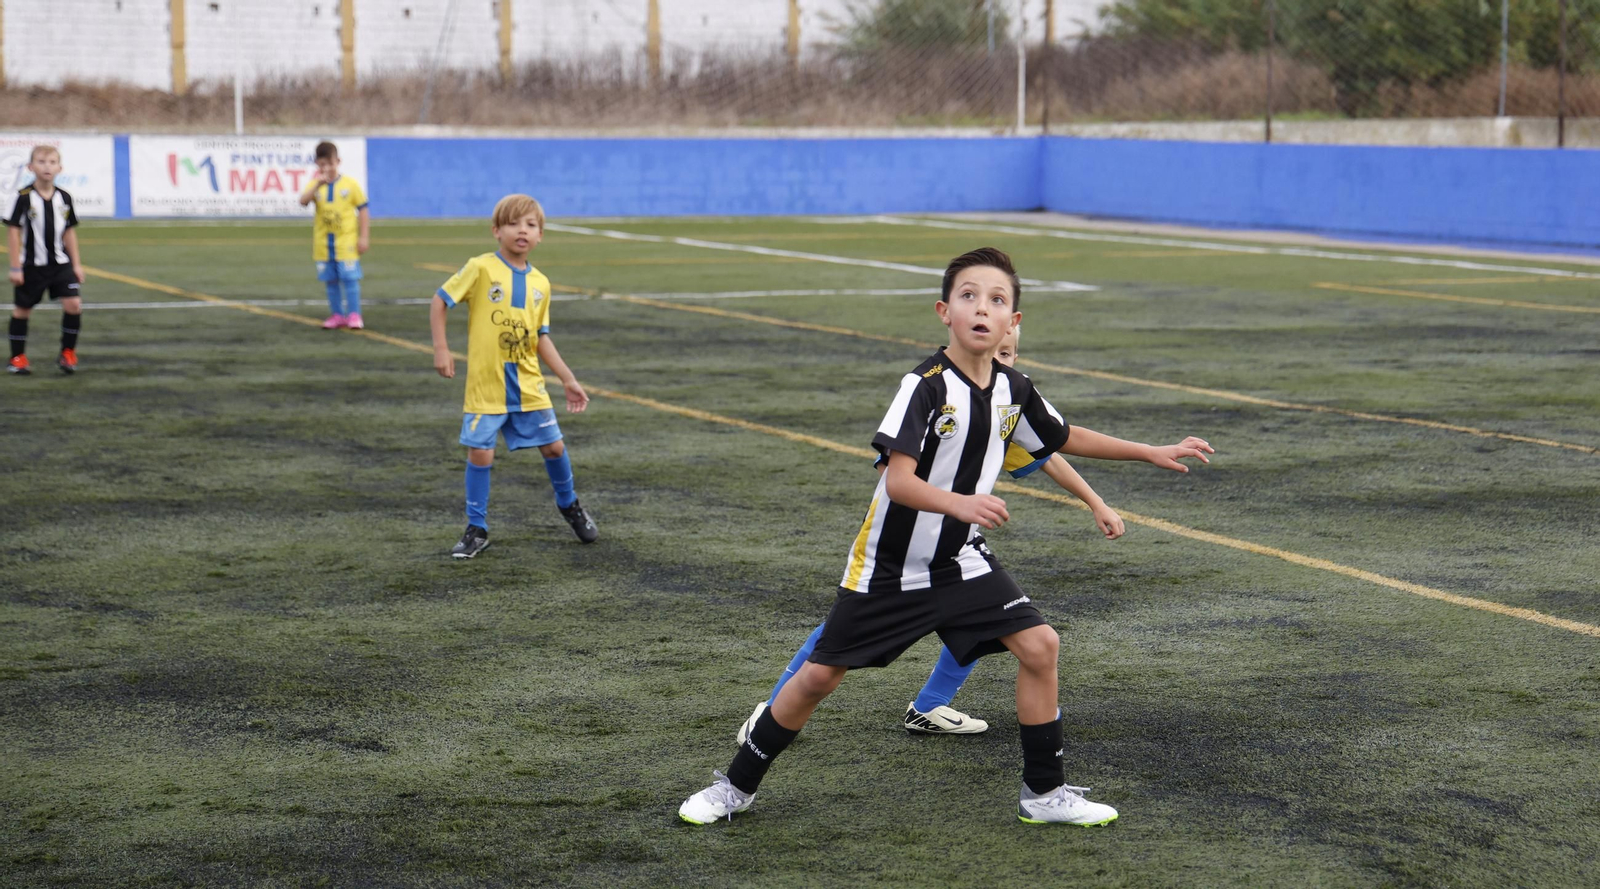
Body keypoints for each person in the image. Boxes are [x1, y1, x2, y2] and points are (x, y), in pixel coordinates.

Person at [681, 247, 1213, 826]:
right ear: (944, 311)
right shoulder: (925, 386)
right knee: (819, 677)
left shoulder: (1015, 387)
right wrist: (961, 501)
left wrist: (1147, 450)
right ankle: (733, 789)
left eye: (997, 299)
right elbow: (900, 481)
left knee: (1041, 646)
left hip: (960, 559)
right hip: (891, 565)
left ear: (1013, 322)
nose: (982, 307)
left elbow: (1060, 437)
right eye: (968, 296)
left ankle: (1044, 795)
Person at [734, 325, 1128, 744]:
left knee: (990, 616)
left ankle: (929, 706)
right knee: (838, 637)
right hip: (898, 548)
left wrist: (1096, 502)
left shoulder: (1004, 402)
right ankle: (772, 711)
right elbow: (894, 474)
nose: (1001, 361)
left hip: (955, 547)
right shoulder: (935, 393)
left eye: (1009, 354)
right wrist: (954, 501)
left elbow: (1051, 454)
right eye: (997, 352)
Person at [429, 194, 598, 557]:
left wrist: (567, 378)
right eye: (513, 224)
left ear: (540, 236)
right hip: (486, 385)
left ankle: (569, 505)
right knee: (480, 454)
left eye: (531, 225)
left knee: (553, 446)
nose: (522, 230)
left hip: (528, 384)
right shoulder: (481, 268)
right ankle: (476, 528)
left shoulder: (541, 284)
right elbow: (440, 300)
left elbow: (540, 338)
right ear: (496, 231)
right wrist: (441, 348)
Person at [6, 145, 84, 375]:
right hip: (32, 266)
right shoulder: (22, 197)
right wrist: (15, 266)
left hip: (61, 264)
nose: (46, 167)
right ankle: (17, 357)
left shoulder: (65, 197)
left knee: (74, 304)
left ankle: (67, 353)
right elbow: (13, 231)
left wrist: (77, 265)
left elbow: (69, 231)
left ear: (60, 167)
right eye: (41, 162)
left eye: (51, 162)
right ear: (31, 167)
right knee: (22, 310)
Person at [297, 141, 369, 330]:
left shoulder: (350, 185)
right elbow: (303, 202)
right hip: (323, 244)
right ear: (317, 165)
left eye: (330, 164)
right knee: (330, 280)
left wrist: (364, 237)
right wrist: (317, 186)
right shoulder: (315, 185)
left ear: (338, 161)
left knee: (350, 278)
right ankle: (337, 315)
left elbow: (363, 209)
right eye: (322, 165)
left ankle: (354, 315)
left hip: (346, 242)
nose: (327, 168)